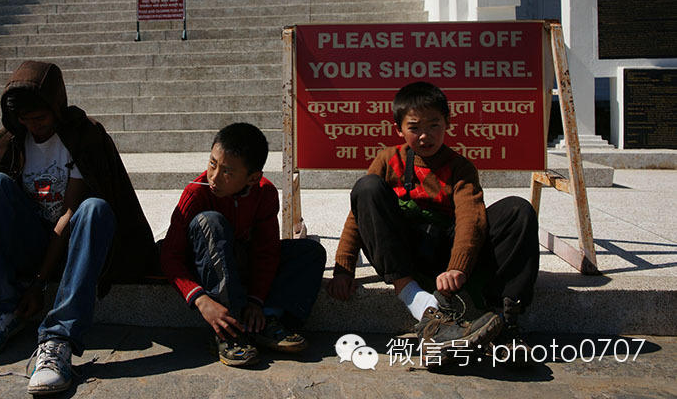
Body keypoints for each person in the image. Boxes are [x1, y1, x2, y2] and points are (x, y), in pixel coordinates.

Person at [0, 61, 156, 395]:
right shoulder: (7, 141)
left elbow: (68, 213)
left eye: (40, 118)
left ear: (56, 108)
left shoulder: (83, 135)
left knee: (95, 209)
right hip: (30, 239)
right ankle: (3, 312)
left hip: (70, 241)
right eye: (25, 121)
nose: (34, 127)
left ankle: (58, 339)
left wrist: (39, 284)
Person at [326, 82, 539, 366]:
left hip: (446, 255)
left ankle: (505, 323)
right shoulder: (388, 159)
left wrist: (457, 267)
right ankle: (421, 305)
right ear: (399, 129)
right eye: (414, 127)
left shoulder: (460, 167)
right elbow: (358, 216)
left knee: (518, 210)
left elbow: (470, 218)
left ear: (447, 124)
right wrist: (343, 269)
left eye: (434, 125)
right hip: (404, 256)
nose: (425, 135)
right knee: (367, 189)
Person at [160, 123, 326, 367]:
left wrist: (257, 301)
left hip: (240, 263)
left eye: (227, 172)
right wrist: (200, 300)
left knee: (310, 252)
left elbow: (267, 251)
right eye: (212, 164)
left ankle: (267, 320)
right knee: (210, 222)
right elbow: (169, 256)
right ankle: (229, 331)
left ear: (253, 178)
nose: (214, 177)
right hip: (206, 270)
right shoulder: (196, 193)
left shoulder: (265, 193)